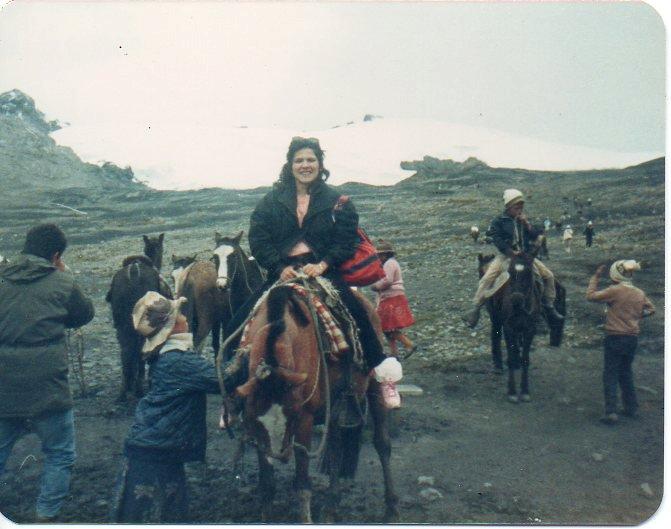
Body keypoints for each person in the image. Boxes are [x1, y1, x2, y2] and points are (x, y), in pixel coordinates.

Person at [224, 136, 402, 406]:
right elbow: (258, 239)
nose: (305, 165)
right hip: (282, 273)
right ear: (290, 164)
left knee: (359, 315)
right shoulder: (270, 201)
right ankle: (234, 393)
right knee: (237, 322)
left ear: (320, 164)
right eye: (299, 160)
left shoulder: (338, 201)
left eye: (310, 160)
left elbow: (347, 240)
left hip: (323, 271)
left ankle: (380, 379)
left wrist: (323, 264)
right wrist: (278, 267)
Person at [110, 292, 243, 523]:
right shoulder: (180, 360)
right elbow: (223, 379)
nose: (185, 317)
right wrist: (245, 354)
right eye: (179, 315)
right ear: (171, 328)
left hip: (153, 446)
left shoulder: (166, 355)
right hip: (158, 451)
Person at [0, 223, 94, 522]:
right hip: (48, 386)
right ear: (56, 255)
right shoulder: (62, 282)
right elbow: (84, 314)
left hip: (4, 385)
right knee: (59, 453)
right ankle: (45, 517)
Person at [463, 189, 564, 328]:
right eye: (517, 207)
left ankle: (548, 306)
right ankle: (475, 308)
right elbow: (497, 239)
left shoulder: (523, 221)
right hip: (506, 256)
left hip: (526, 258)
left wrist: (527, 224)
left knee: (548, 276)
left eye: (521, 207)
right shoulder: (499, 221)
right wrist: (510, 251)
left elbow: (536, 235)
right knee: (487, 278)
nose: (520, 210)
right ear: (508, 207)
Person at [586, 261, 655, 424]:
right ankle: (631, 408)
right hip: (632, 337)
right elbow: (652, 309)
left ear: (615, 274)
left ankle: (611, 412)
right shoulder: (639, 292)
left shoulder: (614, 290)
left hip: (615, 336)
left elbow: (590, 296)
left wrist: (595, 277)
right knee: (626, 372)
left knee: (610, 373)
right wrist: (635, 317)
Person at [370, 240, 416, 358]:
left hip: (391, 297)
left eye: (380, 255)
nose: (378, 257)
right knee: (387, 327)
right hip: (392, 296)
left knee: (386, 325)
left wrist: (375, 286)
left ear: (385, 255)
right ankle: (394, 353)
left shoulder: (389, 264)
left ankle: (409, 344)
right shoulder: (391, 263)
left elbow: (388, 281)